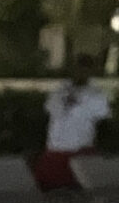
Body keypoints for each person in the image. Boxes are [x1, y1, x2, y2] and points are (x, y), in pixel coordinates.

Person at [35, 54, 112, 191]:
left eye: (85, 68)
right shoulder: (59, 90)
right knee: (49, 192)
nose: (81, 72)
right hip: (55, 150)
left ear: (91, 71)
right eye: (78, 67)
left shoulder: (97, 94)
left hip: (80, 151)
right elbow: (50, 109)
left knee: (78, 192)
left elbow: (103, 117)